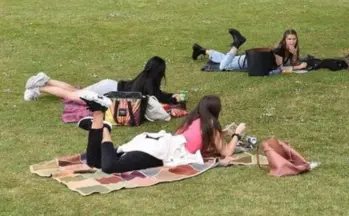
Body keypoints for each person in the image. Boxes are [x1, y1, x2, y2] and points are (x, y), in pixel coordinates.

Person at [77, 93, 246, 173]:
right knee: (109, 167)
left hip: (151, 142)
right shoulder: (210, 124)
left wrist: (221, 132)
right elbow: (226, 152)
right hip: (156, 152)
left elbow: (192, 138)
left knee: (94, 161)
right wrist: (237, 134)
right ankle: (106, 128)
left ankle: (97, 117)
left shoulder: (193, 119)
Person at [23, 56, 182, 104]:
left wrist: (170, 96)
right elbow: (156, 97)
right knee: (72, 95)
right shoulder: (149, 86)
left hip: (109, 85)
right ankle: (39, 88)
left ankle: (46, 80)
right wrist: (172, 98)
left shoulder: (144, 78)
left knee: (75, 91)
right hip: (107, 91)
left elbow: (157, 95)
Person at [192, 28, 308, 73]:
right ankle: (237, 44)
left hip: (253, 59)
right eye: (289, 39)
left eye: (293, 39)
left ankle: (201, 50)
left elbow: (292, 61)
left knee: (224, 57)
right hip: (249, 62)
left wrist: (293, 54)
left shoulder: (293, 48)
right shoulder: (280, 50)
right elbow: (281, 68)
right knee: (223, 66)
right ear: (284, 39)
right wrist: (298, 67)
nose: (291, 41)